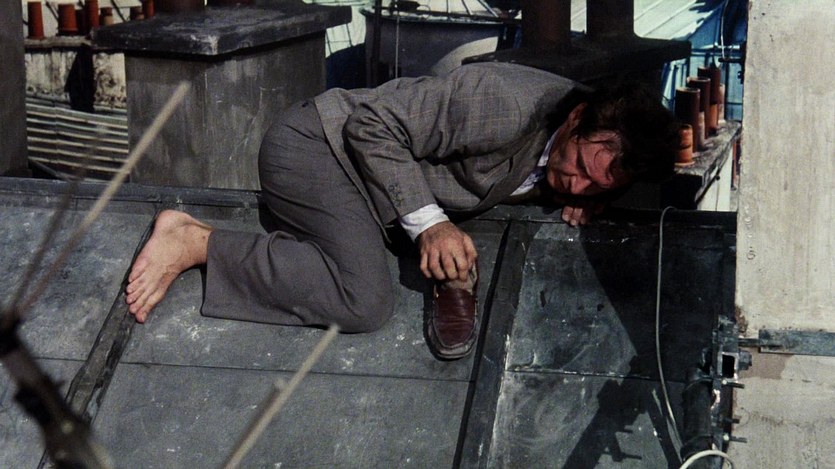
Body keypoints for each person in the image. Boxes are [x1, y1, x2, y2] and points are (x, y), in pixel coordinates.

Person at [125, 62, 679, 359]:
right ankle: (196, 240)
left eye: (595, 185)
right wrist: (430, 224)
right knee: (363, 301)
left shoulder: (597, 145)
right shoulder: (501, 102)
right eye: (578, 166)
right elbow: (370, 124)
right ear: (577, 118)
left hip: (373, 195)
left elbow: (596, 172)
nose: (575, 183)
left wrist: (593, 199)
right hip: (321, 148)